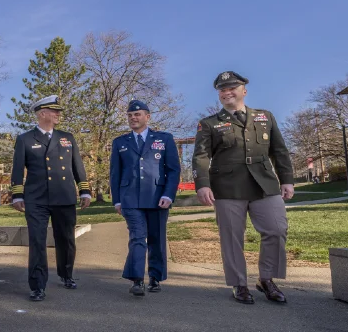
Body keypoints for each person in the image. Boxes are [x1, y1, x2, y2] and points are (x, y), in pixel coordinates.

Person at [193, 71, 295, 304]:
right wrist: (202, 185)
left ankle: (267, 279)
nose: (227, 92)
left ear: (244, 91)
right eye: (222, 89)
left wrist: (287, 179)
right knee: (231, 237)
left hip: (264, 184)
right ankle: (239, 284)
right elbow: (200, 156)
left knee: (276, 229)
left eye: (232, 88)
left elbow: (279, 150)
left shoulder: (264, 117)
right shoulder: (209, 124)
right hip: (227, 187)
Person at [11, 94, 91, 301]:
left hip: (64, 196)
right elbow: (17, 169)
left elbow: (77, 166)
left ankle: (66, 274)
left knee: (65, 239)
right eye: (54, 111)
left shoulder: (67, 138)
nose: (58, 114)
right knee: (37, 241)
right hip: (36, 198)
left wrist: (84, 190)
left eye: (58, 111)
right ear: (42, 113)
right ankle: (37, 285)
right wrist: (17, 195)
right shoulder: (25, 139)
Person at [110, 100, 180, 296]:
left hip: (158, 198)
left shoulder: (164, 139)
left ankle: (155, 278)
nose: (133, 118)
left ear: (147, 117)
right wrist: (117, 200)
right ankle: (137, 280)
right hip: (130, 198)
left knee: (156, 239)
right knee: (138, 237)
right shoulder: (120, 142)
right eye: (130, 115)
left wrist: (168, 194)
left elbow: (173, 170)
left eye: (137, 114)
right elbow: (115, 173)